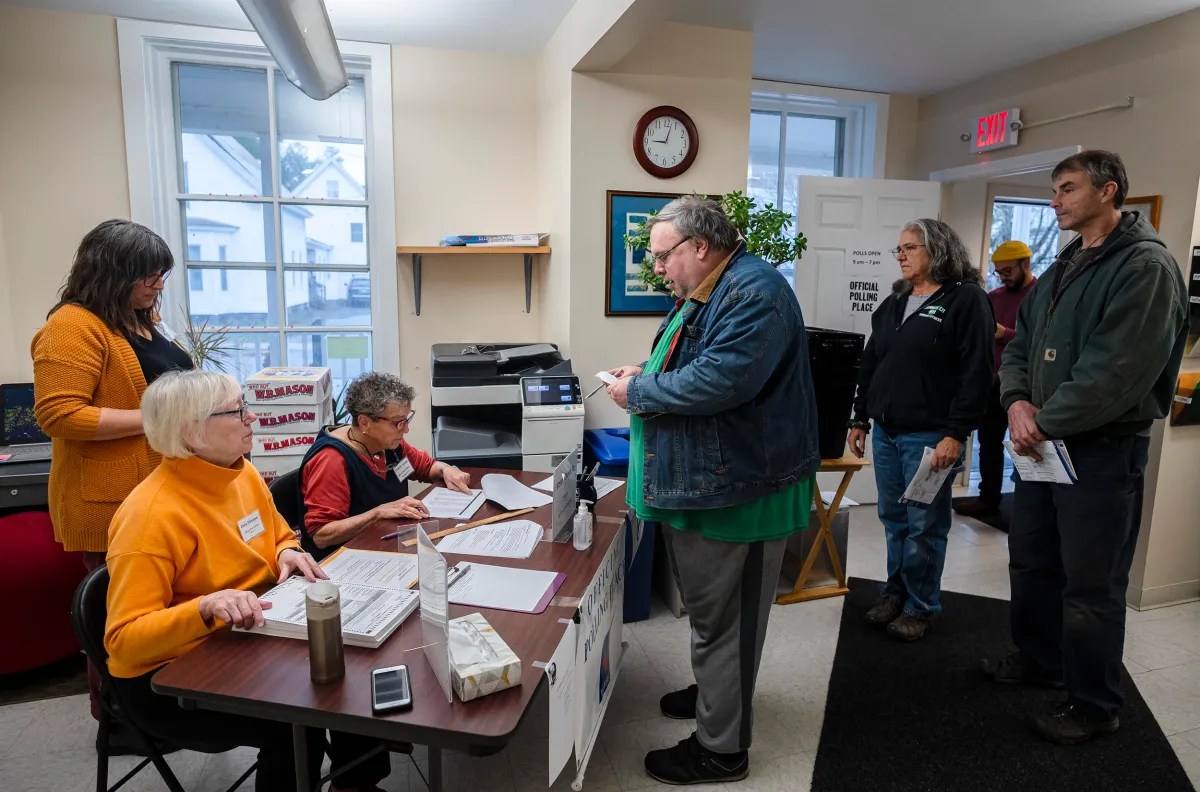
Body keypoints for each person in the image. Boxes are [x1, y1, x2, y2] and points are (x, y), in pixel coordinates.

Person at [605, 195, 819, 785]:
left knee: (730, 620)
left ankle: (722, 749)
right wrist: (644, 375)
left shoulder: (755, 292)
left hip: (741, 490)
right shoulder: (709, 289)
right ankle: (715, 694)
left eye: (664, 256)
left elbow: (723, 378)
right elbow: (689, 360)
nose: (658, 268)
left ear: (701, 246)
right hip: (711, 482)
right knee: (712, 615)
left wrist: (642, 393)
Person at [981, 150, 1187, 745]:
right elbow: (1021, 344)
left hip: (1099, 450)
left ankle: (1095, 703)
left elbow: (1115, 372)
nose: (1055, 200)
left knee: (1092, 586)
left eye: (1067, 189)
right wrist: (1017, 402)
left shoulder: (1144, 268)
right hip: (1044, 444)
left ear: (1108, 191)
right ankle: (1040, 662)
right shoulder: (1067, 263)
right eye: (1055, 190)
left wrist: (1043, 421)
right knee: (1032, 560)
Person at [105, 370, 391, 792]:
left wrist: (286, 551)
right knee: (298, 714)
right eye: (237, 410)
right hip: (171, 673)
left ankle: (354, 784)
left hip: (248, 631)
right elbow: (124, 639)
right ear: (192, 431)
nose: (252, 417)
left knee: (350, 666)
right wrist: (204, 607)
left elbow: (274, 531)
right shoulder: (149, 517)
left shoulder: (239, 472)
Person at [31, 218, 193, 734]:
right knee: (118, 616)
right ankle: (122, 722)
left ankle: (164, 707)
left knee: (158, 611)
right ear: (111, 272)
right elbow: (60, 415)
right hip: (111, 503)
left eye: (162, 273)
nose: (158, 283)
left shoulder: (138, 318)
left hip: (160, 491)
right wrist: (158, 419)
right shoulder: (73, 326)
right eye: (149, 274)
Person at [847, 219, 993, 641]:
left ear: (939, 250)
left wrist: (956, 434)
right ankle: (895, 592)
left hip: (930, 437)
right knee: (893, 519)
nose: (901, 256)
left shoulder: (965, 300)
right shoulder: (896, 302)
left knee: (924, 525)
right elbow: (871, 363)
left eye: (910, 248)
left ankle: (921, 605)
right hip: (888, 432)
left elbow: (976, 374)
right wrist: (860, 417)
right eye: (899, 249)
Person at [298, 371, 473, 561]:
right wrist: (377, 514)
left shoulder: (387, 445)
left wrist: (447, 470)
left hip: (383, 547)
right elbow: (321, 535)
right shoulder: (331, 460)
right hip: (343, 563)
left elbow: (426, 467)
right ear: (365, 422)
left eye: (407, 420)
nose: (405, 429)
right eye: (397, 423)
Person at [954, 241, 1038, 521]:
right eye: (998, 271)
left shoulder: (1042, 296)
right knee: (989, 443)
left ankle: (1029, 503)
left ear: (1025, 264)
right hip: (992, 382)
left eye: (1007, 271)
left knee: (1026, 443)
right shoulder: (994, 297)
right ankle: (988, 498)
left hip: (1027, 386)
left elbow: (1041, 342)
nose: (1002, 276)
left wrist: (1006, 335)